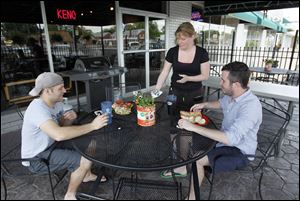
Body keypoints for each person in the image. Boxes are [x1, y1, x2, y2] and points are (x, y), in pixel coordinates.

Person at [174, 61, 262, 199]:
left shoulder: (250, 107)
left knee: (197, 159)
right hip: (224, 141)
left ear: (236, 84)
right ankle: (184, 168)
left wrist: (193, 126)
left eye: (223, 80)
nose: (220, 83)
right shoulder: (233, 96)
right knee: (190, 139)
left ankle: (192, 198)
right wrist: (205, 104)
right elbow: (221, 103)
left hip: (239, 151)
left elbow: (230, 138)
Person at [21, 72, 109, 200]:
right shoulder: (37, 109)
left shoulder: (56, 102)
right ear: (47, 91)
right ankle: (70, 195)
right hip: (37, 157)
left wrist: (70, 117)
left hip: (52, 144)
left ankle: (86, 175)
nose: (65, 90)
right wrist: (92, 126)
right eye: (60, 88)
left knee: (92, 141)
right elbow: (58, 134)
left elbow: (64, 123)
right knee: (84, 160)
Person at [153, 22, 210, 112]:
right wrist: (156, 90)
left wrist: (188, 78)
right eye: (178, 39)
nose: (179, 42)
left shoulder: (202, 53)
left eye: (183, 39)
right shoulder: (172, 52)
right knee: (171, 115)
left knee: (193, 118)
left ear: (193, 36)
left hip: (195, 92)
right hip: (174, 91)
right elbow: (164, 72)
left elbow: (205, 75)